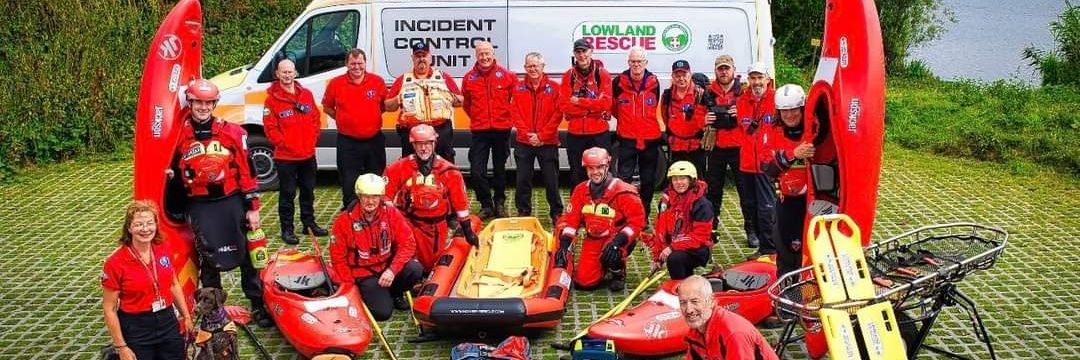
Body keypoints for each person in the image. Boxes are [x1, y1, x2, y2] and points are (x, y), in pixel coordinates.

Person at [170, 79, 270, 327]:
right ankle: (213, 311)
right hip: (200, 204)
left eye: (207, 102)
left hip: (231, 200)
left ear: (215, 103)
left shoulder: (234, 133)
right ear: (190, 103)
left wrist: (252, 208)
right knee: (207, 256)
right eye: (197, 102)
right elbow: (170, 169)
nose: (203, 107)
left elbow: (248, 172)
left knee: (247, 253)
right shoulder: (178, 136)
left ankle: (258, 304)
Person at [102, 200, 193, 360]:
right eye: (138, 224)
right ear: (129, 228)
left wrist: (186, 316)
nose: (145, 229)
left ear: (156, 225)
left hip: (167, 320)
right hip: (136, 326)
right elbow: (109, 309)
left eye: (149, 223)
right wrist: (121, 346)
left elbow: (173, 284)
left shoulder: (163, 249)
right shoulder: (115, 263)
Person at [383, 124, 480, 273]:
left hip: (437, 227)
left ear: (434, 143)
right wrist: (395, 223)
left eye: (427, 144)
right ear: (413, 145)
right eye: (419, 144)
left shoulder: (449, 171)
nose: (424, 149)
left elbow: (460, 204)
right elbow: (385, 196)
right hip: (410, 223)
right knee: (411, 262)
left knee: (431, 264)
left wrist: (467, 231)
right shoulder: (398, 168)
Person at [330, 174, 424, 320]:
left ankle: (395, 293)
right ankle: (372, 295)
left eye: (375, 196)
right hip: (364, 275)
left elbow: (408, 243)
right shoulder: (344, 221)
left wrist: (392, 270)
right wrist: (349, 285)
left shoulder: (391, 214)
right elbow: (338, 258)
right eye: (366, 196)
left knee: (415, 269)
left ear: (381, 197)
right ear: (359, 196)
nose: (370, 201)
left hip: (387, 268)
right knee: (383, 313)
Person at [554, 147, 645, 291]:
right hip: (594, 238)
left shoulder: (624, 191)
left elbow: (637, 222)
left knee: (611, 254)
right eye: (591, 168)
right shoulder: (580, 191)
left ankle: (618, 272)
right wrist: (564, 247)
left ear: (607, 166)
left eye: (599, 167)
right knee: (584, 283)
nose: (595, 172)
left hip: (617, 237)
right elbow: (571, 222)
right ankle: (602, 266)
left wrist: (617, 242)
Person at [263, 58, 327, 245]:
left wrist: (313, 138)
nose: (287, 75)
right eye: (284, 72)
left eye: (290, 72)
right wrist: (284, 144)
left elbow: (316, 117)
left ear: (295, 73)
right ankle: (287, 229)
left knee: (308, 191)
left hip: (308, 155)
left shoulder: (306, 94)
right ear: (277, 74)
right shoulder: (271, 100)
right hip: (286, 157)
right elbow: (270, 129)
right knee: (287, 194)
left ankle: (309, 224)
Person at [703, 54, 758, 248]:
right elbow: (699, 115)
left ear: (734, 70)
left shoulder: (744, 91)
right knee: (713, 192)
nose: (724, 72)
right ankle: (711, 229)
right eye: (720, 68)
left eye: (727, 68)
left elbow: (757, 114)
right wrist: (705, 120)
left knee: (745, 192)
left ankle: (751, 230)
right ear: (716, 71)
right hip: (716, 147)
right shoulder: (708, 92)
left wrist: (741, 114)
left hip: (739, 148)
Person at [323, 49, 389, 209]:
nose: (357, 67)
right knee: (348, 178)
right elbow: (327, 107)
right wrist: (342, 119)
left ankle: (377, 208)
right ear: (347, 64)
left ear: (365, 63)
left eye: (360, 63)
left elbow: (384, 106)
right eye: (353, 63)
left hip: (374, 140)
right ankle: (351, 210)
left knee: (376, 176)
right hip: (348, 141)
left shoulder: (377, 81)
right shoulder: (336, 83)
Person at [762, 84, 814, 277]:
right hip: (789, 200)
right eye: (785, 111)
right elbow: (768, 168)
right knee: (786, 250)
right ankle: (787, 295)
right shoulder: (774, 132)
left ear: (802, 108)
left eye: (794, 110)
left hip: (816, 200)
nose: (790, 115)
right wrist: (794, 154)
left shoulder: (814, 128)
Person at [462, 41, 517, 219]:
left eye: (487, 54)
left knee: (500, 169)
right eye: (481, 54)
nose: (484, 57)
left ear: (493, 55)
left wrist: (506, 118)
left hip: (502, 130)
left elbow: (514, 101)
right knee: (477, 170)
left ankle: (499, 202)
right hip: (480, 131)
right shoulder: (469, 78)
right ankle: (486, 204)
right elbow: (467, 105)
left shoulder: (507, 75)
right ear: (476, 56)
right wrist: (479, 118)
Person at [510, 51, 565, 224]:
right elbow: (514, 113)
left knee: (551, 180)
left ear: (543, 67)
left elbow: (558, 114)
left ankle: (556, 212)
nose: (532, 69)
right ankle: (523, 211)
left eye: (536, 65)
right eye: (529, 66)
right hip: (524, 142)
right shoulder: (518, 88)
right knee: (522, 179)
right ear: (525, 68)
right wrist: (528, 134)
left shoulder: (555, 88)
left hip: (547, 142)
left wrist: (542, 136)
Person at [385, 41, 463, 161]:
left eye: (424, 56)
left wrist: (449, 96)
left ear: (430, 57)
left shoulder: (443, 77)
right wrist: (398, 98)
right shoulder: (403, 79)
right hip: (412, 132)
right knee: (412, 169)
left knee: (444, 167)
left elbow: (460, 101)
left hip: (440, 130)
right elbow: (388, 106)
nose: (421, 59)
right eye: (418, 56)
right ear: (412, 58)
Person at [611, 46, 662, 224]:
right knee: (623, 180)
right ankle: (624, 214)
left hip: (650, 139)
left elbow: (654, 107)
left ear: (645, 62)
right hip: (627, 139)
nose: (636, 65)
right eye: (633, 61)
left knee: (648, 181)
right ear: (628, 62)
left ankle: (644, 215)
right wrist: (628, 122)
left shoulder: (654, 82)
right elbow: (614, 108)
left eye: (639, 61)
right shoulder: (618, 82)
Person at [679, 275, 780, 360]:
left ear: (710, 301)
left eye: (695, 301)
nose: (688, 310)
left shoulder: (733, 334)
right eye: (683, 303)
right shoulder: (697, 329)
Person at [736, 62, 779, 259]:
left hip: (766, 164)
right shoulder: (742, 100)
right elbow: (743, 128)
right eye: (753, 78)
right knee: (750, 207)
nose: (756, 82)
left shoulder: (777, 100)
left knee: (767, 208)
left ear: (767, 80)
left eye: (760, 77)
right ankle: (762, 247)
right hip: (746, 163)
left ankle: (771, 249)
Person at [647, 161, 714, 280]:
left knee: (674, 259)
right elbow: (660, 230)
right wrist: (657, 257)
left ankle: (682, 289)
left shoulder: (702, 204)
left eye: (682, 179)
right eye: (675, 179)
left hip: (698, 248)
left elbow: (700, 237)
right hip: (677, 245)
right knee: (675, 257)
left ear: (691, 180)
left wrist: (672, 248)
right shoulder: (666, 202)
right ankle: (687, 279)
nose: (679, 183)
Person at [560, 38, 614, 185]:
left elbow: (606, 103)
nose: (582, 55)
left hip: (599, 134)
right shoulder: (568, 76)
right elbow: (564, 105)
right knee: (576, 174)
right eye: (578, 52)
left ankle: (603, 204)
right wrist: (592, 109)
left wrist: (579, 102)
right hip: (576, 134)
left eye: (584, 51)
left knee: (602, 173)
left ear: (591, 51)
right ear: (574, 54)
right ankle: (578, 207)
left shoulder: (602, 74)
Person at [661, 60, 708, 173]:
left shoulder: (701, 94)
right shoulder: (667, 95)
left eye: (684, 75)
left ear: (690, 74)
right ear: (672, 76)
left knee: (699, 182)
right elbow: (665, 117)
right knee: (677, 180)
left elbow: (707, 118)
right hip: (676, 147)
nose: (681, 79)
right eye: (677, 75)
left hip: (697, 147)